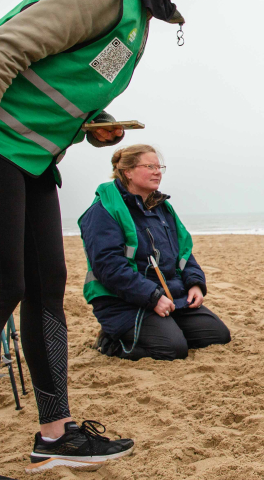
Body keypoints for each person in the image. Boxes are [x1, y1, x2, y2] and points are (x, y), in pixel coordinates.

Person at [0, 0, 221, 480]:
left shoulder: (137, 9)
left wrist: (92, 121)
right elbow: (4, 49)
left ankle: (56, 436)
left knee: (45, 287)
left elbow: (55, 73)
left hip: (31, 157)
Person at [79, 145, 230, 361]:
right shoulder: (103, 211)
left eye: (159, 167)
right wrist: (152, 296)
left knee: (218, 335)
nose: (157, 172)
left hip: (168, 297)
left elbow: (183, 253)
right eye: (150, 166)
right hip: (122, 302)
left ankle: (165, 329)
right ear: (127, 172)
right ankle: (110, 342)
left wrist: (195, 283)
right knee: (173, 349)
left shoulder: (161, 208)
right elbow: (108, 267)